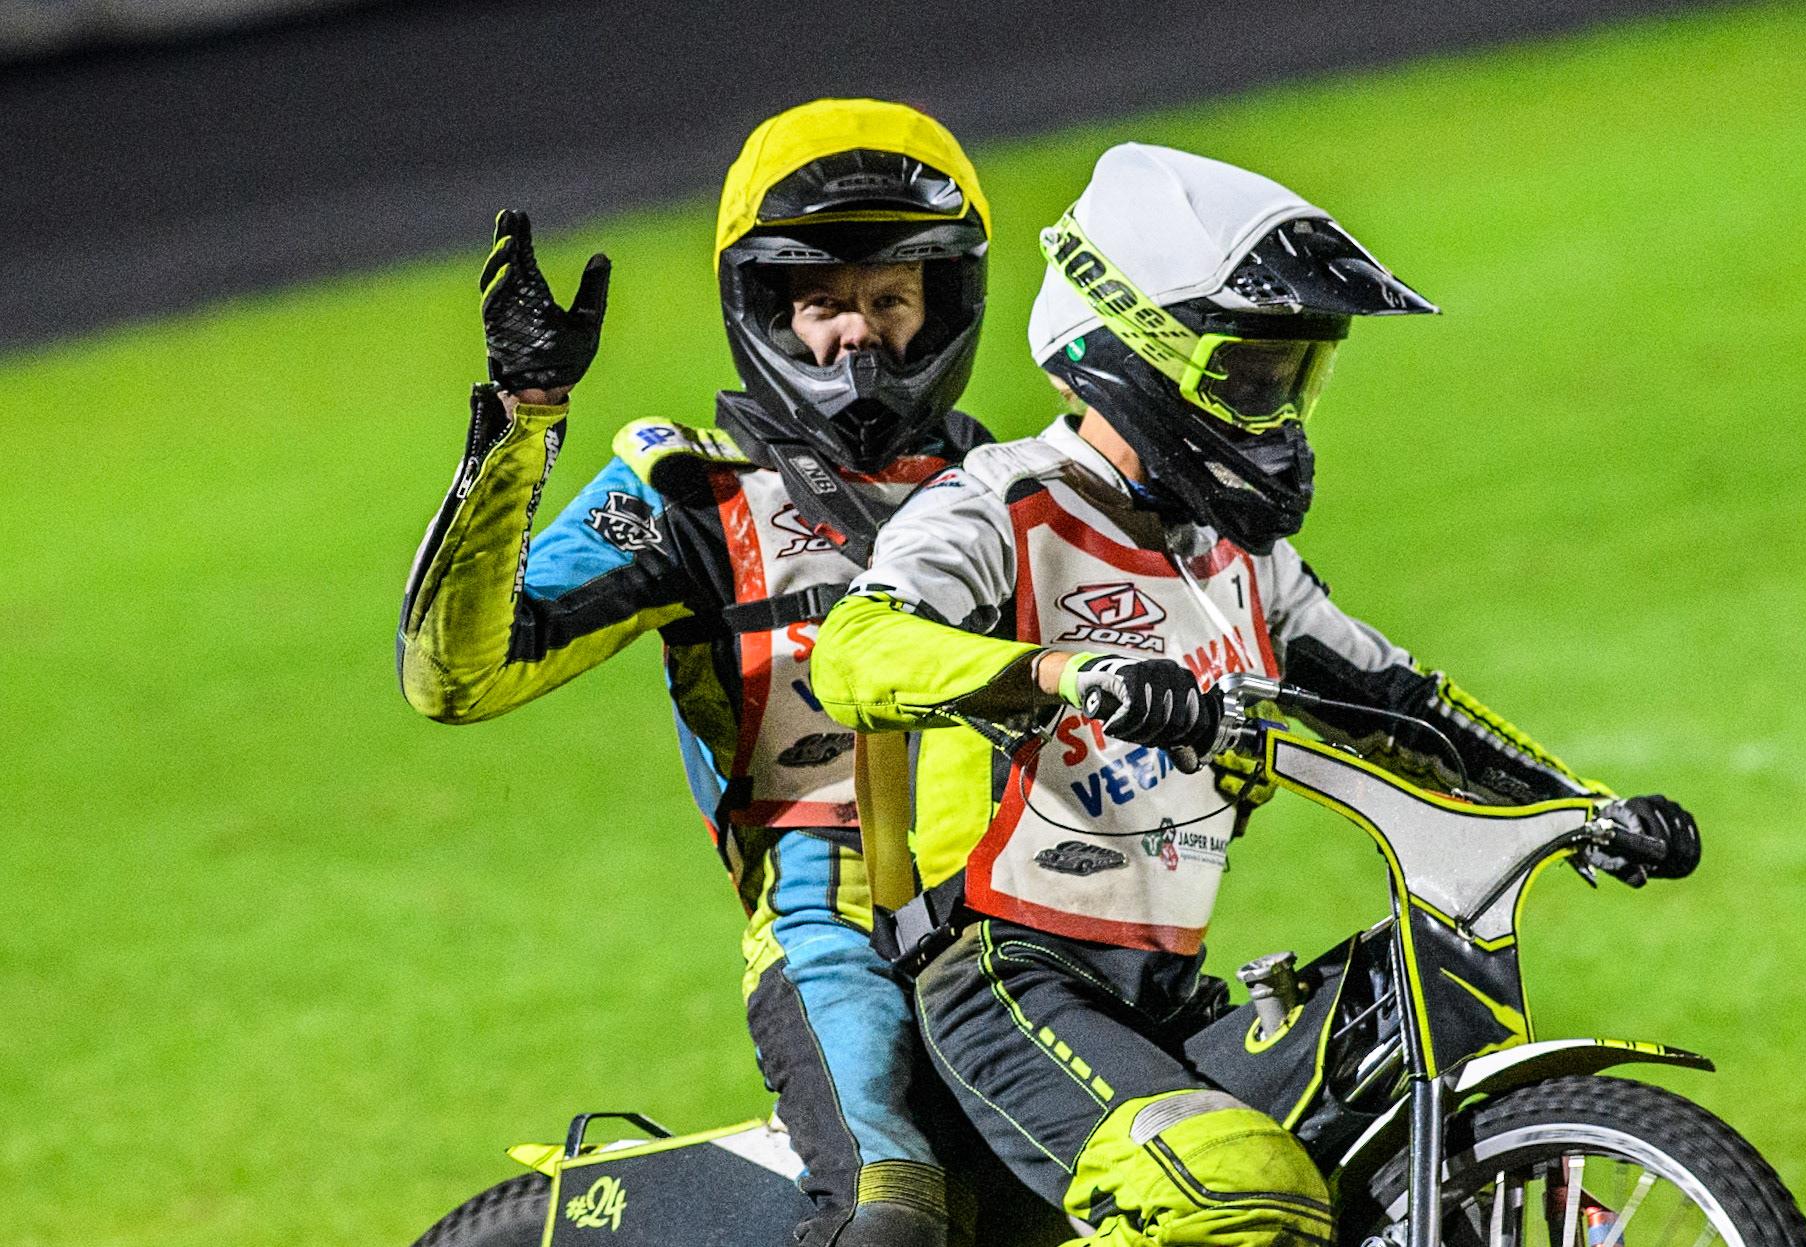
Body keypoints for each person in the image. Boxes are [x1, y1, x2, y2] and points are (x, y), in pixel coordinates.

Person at [809, 143, 1700, 1247]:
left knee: (1373, 1117)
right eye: (1251, 377)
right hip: (1005, 976)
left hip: (1166, 996)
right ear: (1134, 355)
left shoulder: (1239, 558)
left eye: (1295, 380)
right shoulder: (1000, 507)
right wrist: (1061, 671)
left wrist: (1584, 806)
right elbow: (850, 652)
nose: (1277, 415)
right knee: (1230, 1186)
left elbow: (1400, 703)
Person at [398, 98, 997, 1247]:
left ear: (943, 306)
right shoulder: (685, 494)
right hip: (838, 924)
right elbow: (457, 676)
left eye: (888, 299)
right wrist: (525, 420)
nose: (856, 337)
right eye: (824, 303)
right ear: (765, 307)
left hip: (1044, 910)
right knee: (895, 1218)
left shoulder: (1021, 481)